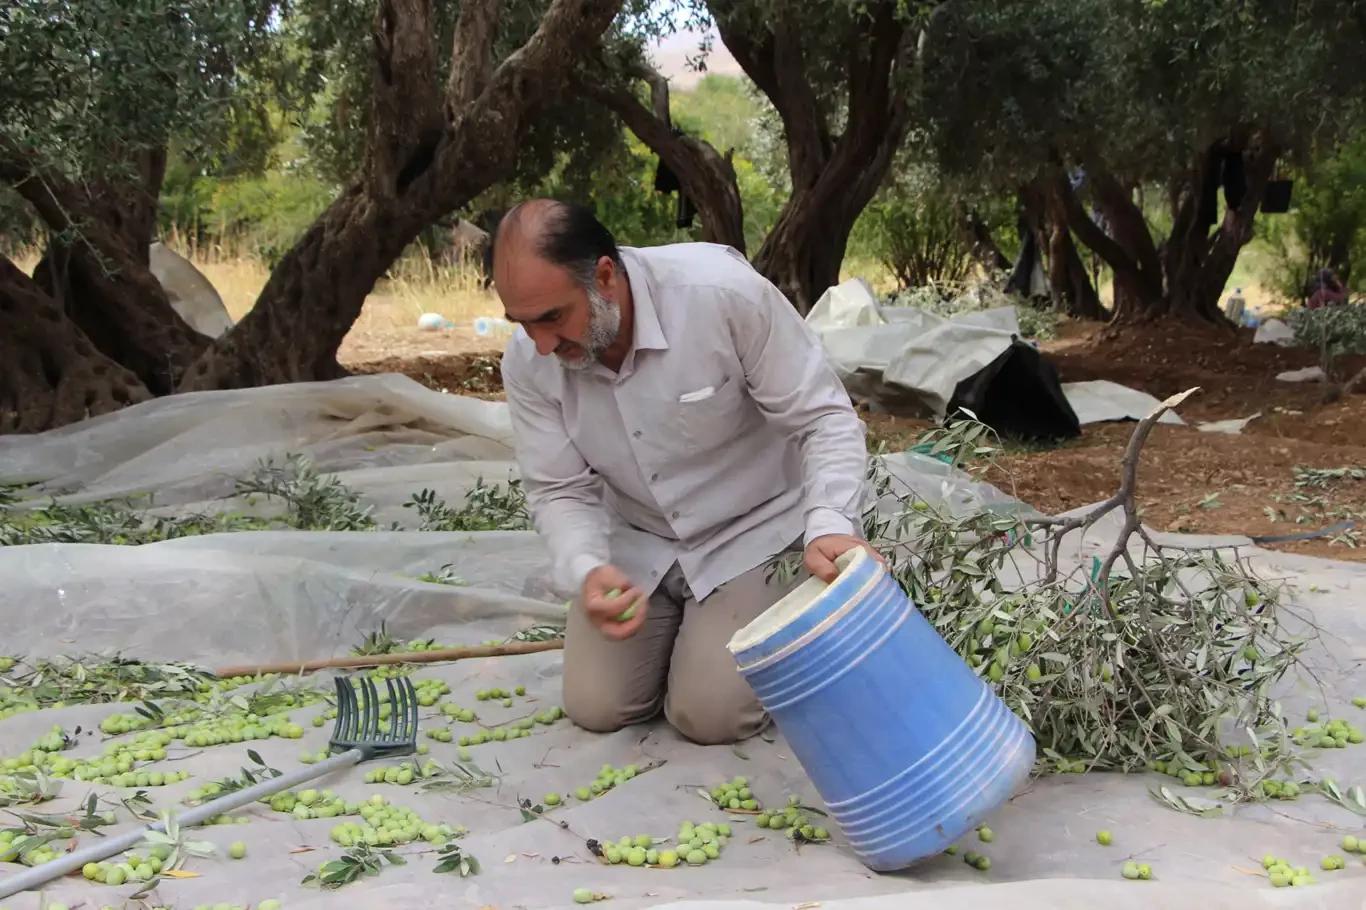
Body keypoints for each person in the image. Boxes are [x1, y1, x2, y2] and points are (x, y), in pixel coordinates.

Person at [492, 199, 878, 745]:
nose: (542, 344)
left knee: (709, 715)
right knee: (596, 706)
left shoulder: (722, 296)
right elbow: (558, 488)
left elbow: (823, 419)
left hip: (751, 533)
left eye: (553, 317)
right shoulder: (530, 360)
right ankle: (691, 632)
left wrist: (831, 522)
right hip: (640, 540)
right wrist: (586, 567)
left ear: (605, 275)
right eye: (523, 323)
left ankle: (742, 631)